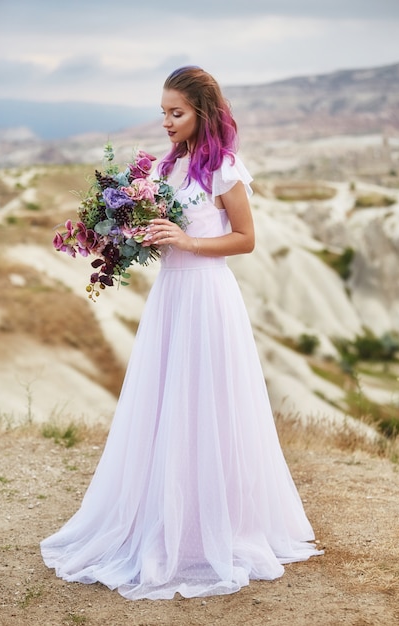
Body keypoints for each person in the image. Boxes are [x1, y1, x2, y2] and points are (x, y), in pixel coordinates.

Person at [41, 66, 322, 600]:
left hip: (209, 299)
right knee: (165, 405)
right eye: (164, 111)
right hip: (170, 299)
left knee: (209, 407)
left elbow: (245, 240)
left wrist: (188, 243)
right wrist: (129, 237)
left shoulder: (225, 170)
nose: (167, 122)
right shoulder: (167, 169)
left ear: (203, 112)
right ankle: (164, 518)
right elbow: (166, 233)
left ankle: (211, 529)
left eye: (177, 112)